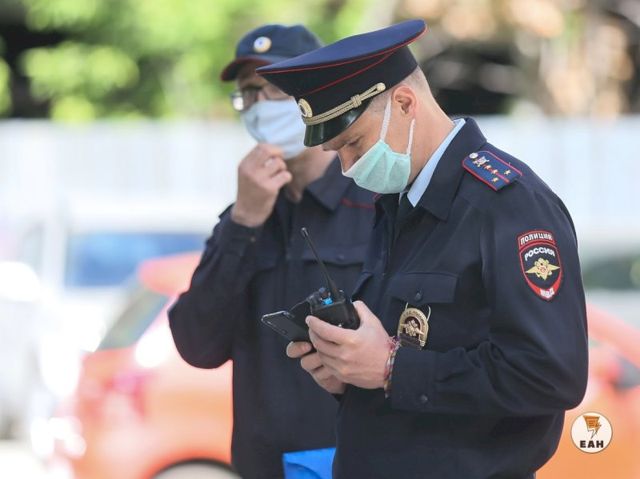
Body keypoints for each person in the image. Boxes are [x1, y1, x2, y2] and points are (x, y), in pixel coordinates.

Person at [258, 19, 589, 479]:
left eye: (353, 143)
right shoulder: (398, 203)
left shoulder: (508, 205)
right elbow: (419, 351)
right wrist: (350, 374)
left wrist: (391, 367)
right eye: (337, 152)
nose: (348, 167)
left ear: (405, 103)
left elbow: (550, 375)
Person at [168, 24, 375, 479]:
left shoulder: (375, 202)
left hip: (355, 461)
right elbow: (197, 345)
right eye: (249, 93)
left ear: (319, 92)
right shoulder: (244, 215)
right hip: (263, 465)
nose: (261, 104)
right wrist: (244, 221)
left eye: (277, 88)